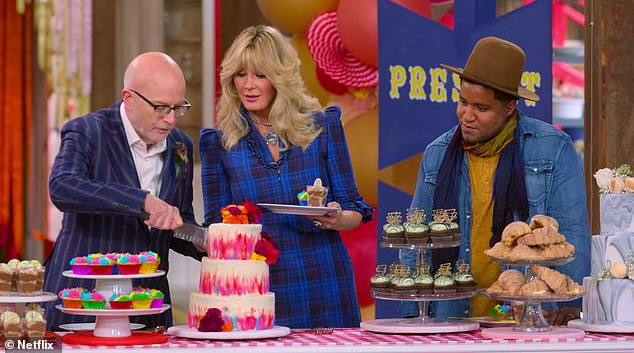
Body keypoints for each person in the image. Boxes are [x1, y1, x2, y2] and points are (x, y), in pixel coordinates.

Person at [400, 36, 590, 326]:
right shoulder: (438, 154)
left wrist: (573, 305)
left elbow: (572, 237)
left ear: (509, 107)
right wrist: (414, 314)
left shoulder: (553, 148)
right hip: (451, 318)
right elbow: (417, 239)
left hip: (530, 315)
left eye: (482, 108)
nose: (467, 115)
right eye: (463, 102)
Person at [200, 25, 374, 329]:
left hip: (324, 275)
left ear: (279, 77)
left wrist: (337, 217)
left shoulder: (323, 126)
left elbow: (355, 208)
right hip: (259, 285)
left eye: (260, 75)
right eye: (241, 75)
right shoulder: (218, 142)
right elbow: (216, 224)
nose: (249, 85)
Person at [44, 52, 204, 330]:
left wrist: (200, 240)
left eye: (178, 108)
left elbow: (176, 222)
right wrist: (141, 201)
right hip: (83, 302)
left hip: (149, 306)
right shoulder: (88, 131)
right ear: (128, 98)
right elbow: (63, 186)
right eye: (161, 107)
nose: (170, 120)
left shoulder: (180, 146)